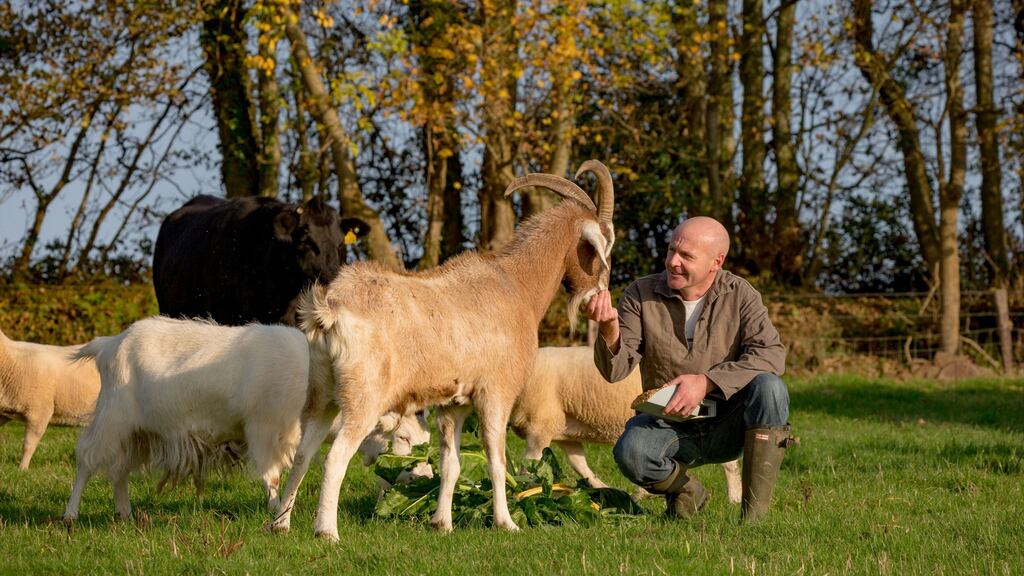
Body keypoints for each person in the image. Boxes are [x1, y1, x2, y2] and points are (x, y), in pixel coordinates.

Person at [585, 216, 794, 522]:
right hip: (669, 424)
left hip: (730, 424)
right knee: (631, 452)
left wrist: (707, 382)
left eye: (686, 256)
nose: (673, 262)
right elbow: (615, 371)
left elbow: (771, 354)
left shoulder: (741, 294)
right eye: (671, 251)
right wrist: (609, 330)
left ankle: (754, 520)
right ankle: (686, 491)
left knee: (771, 388)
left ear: (716, 262)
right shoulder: (640, 294)